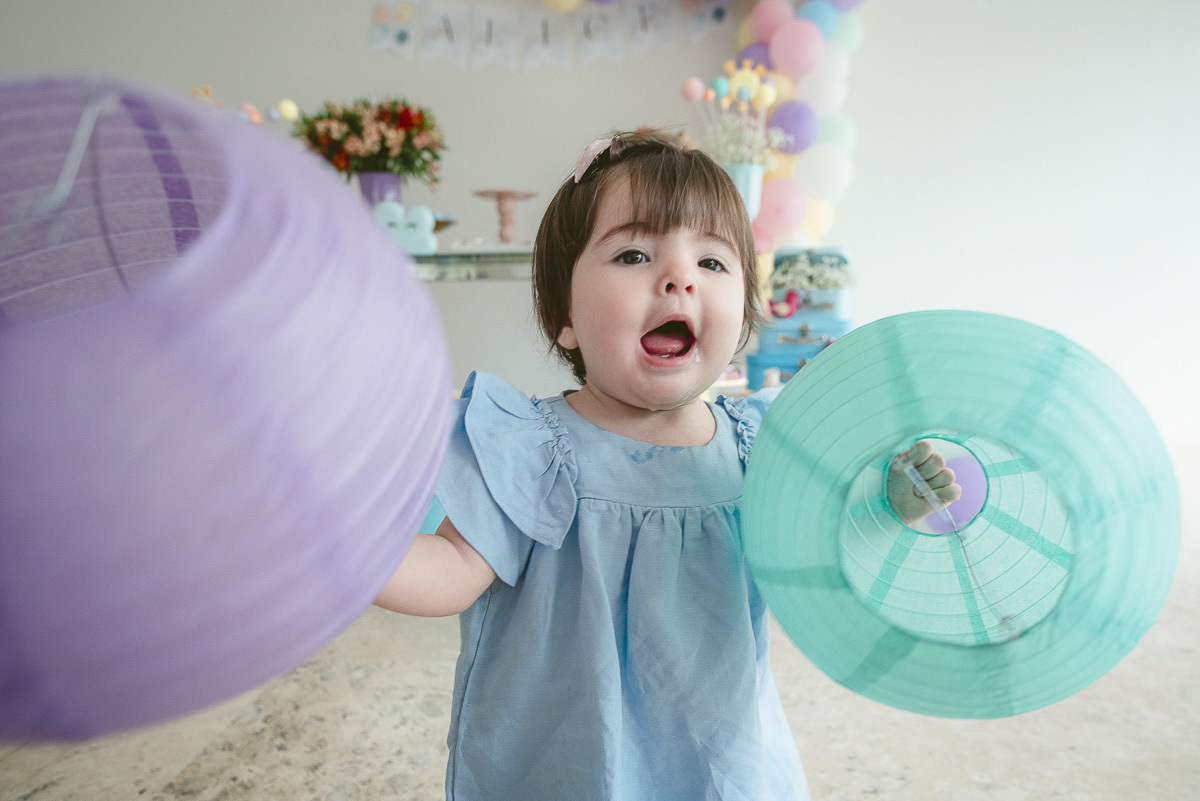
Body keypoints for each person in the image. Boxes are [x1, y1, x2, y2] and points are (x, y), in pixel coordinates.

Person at [374, 130, 960, 801]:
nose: (680, 276)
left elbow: (826, 560)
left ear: (742, 314)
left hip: (721, 761)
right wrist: (347, 548)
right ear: (564, 313)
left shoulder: (762, 447)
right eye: (633, 253)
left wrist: (887, 506)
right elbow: (449, 574)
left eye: (712, 262)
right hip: (565, 766)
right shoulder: (527, 445)